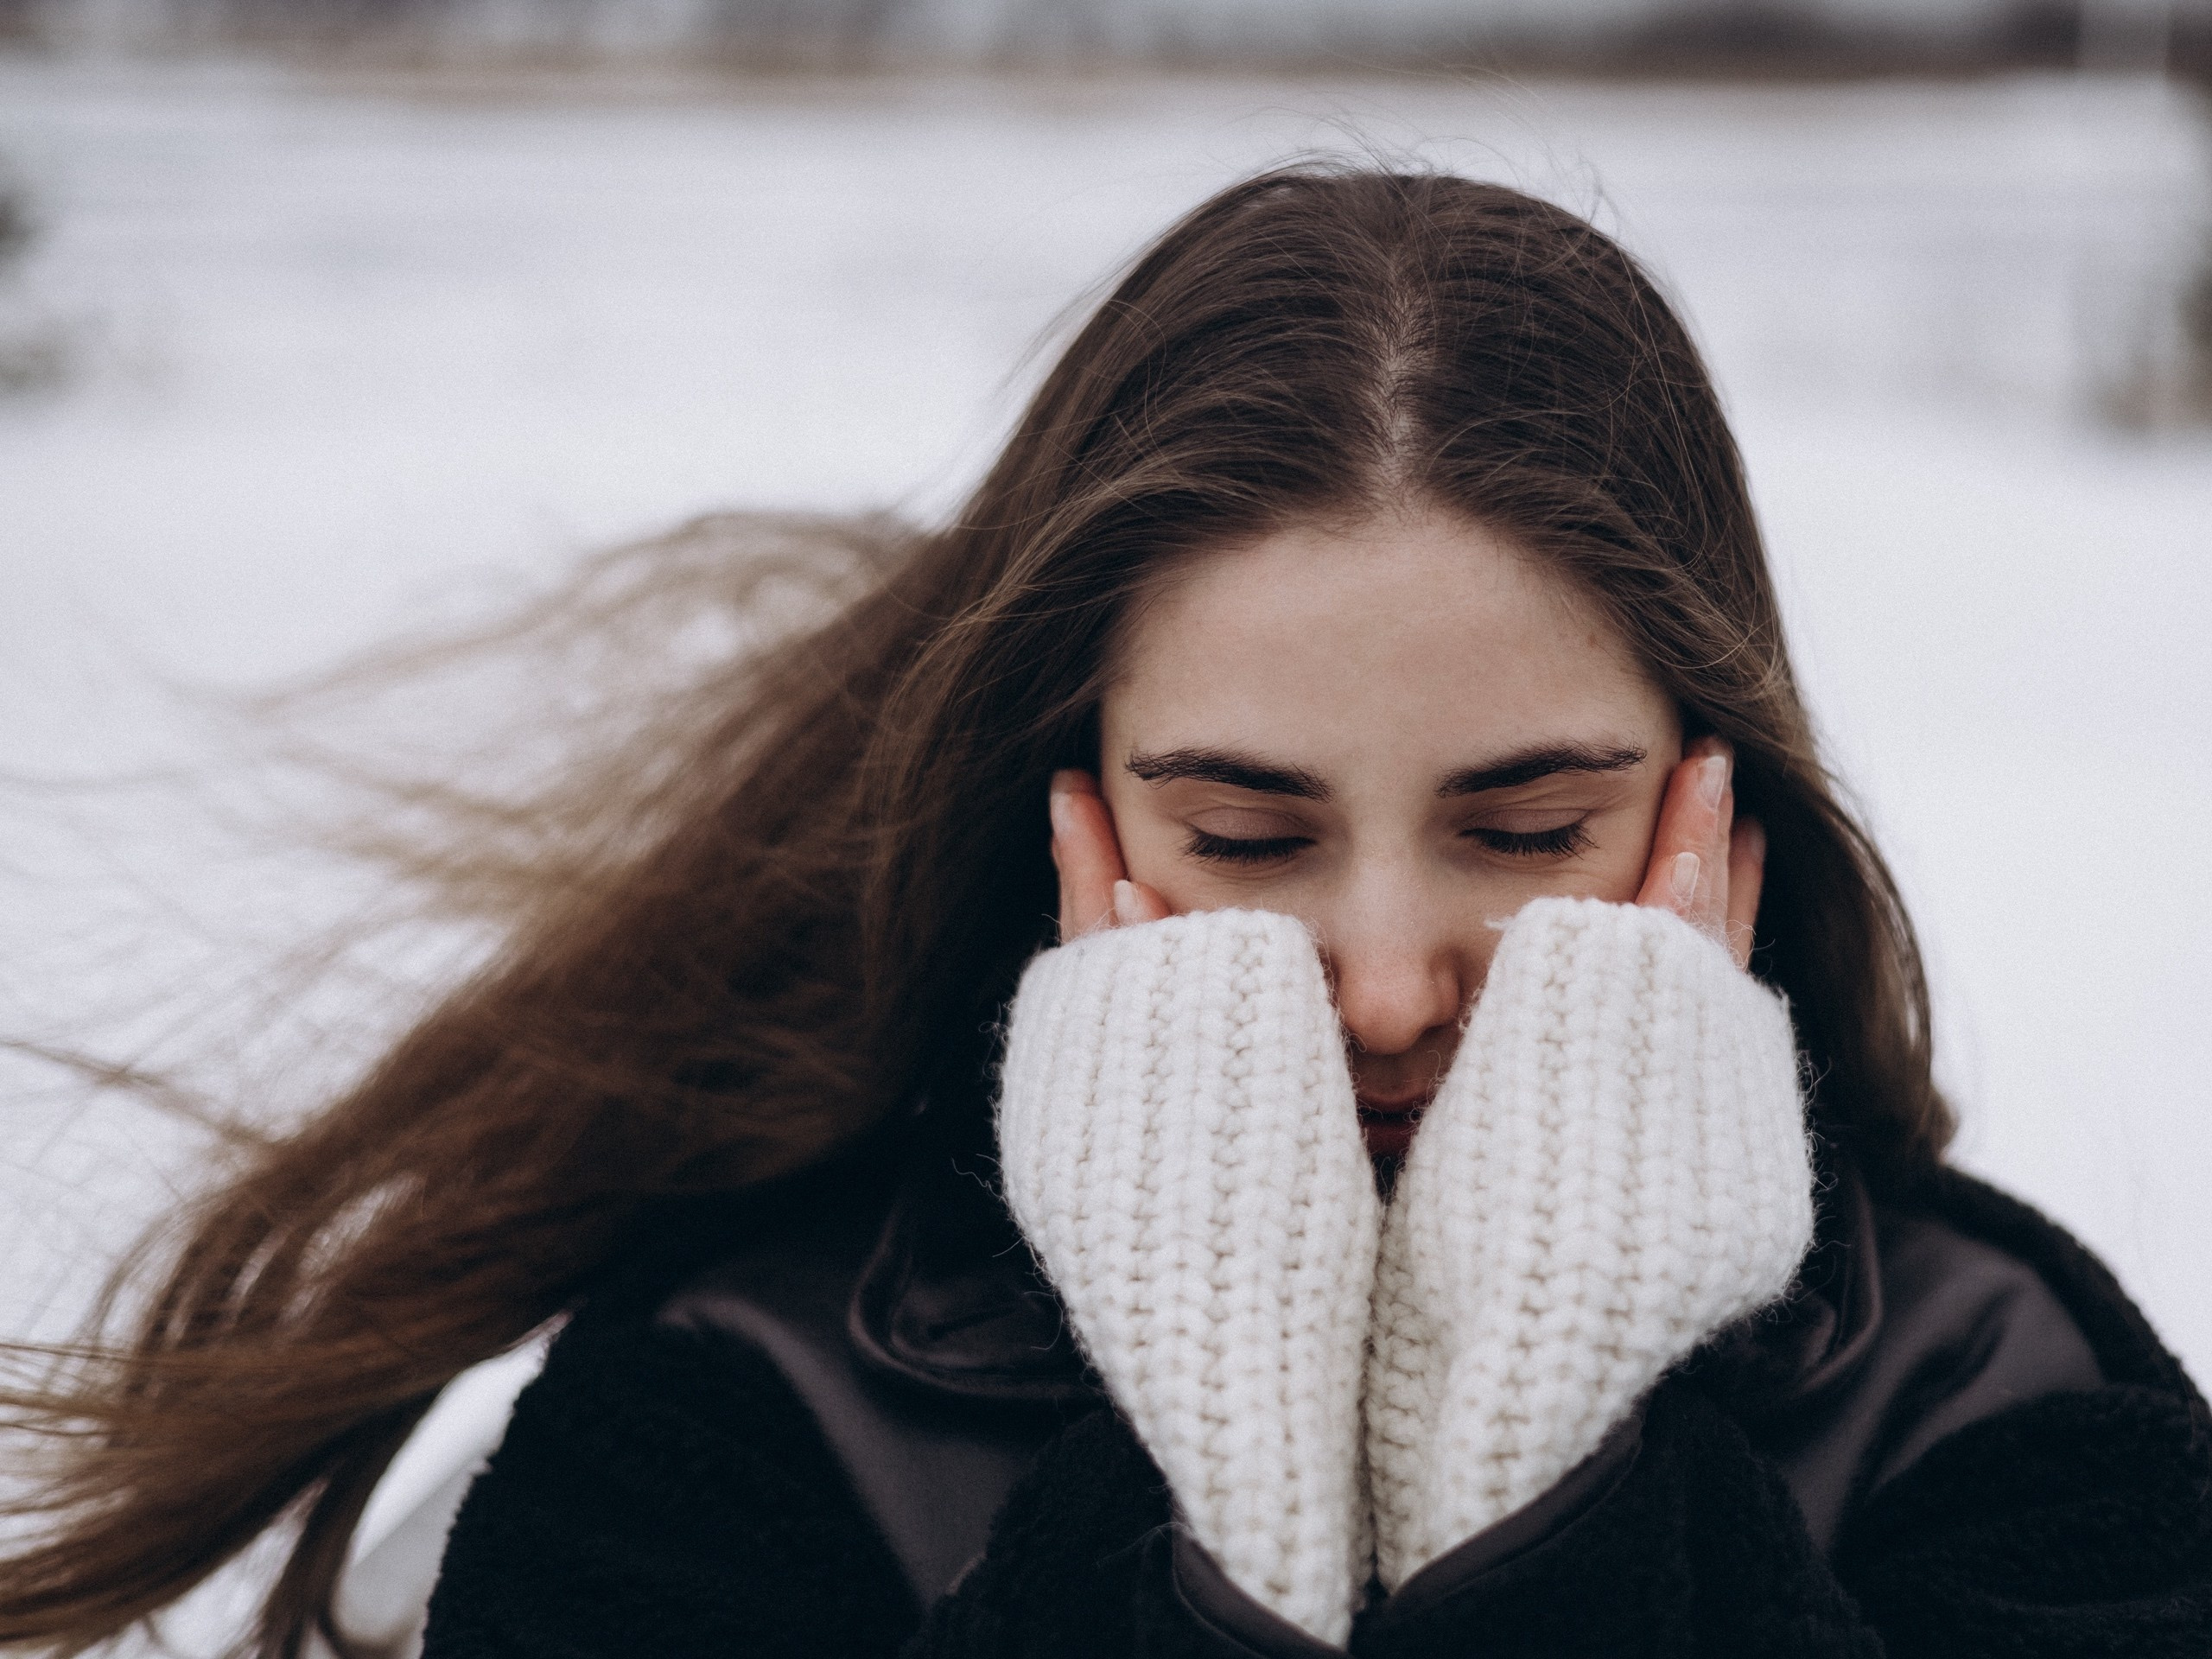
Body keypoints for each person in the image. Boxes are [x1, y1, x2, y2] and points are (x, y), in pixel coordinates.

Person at [3, 166, 2206, 1659]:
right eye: (1244, 839)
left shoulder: (1990, 1391)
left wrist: (1537, 1470)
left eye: (1526, 829)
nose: (1380, 977)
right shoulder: (734, 1408)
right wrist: (1217, 1500)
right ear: (1061, 817)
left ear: (1715, 821)